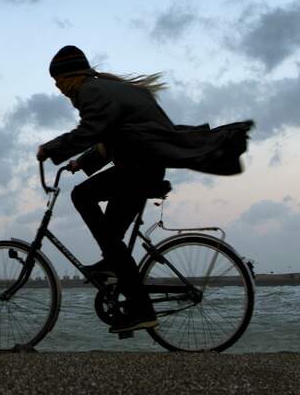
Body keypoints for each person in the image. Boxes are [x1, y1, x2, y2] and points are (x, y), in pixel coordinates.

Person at [37, 45, 254, 335]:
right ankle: (113, 269)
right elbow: (113, 136)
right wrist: (84, 161)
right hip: (142, 166)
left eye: (58, 81)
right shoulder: (110, 89)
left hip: (138, 169)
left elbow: (91, 131)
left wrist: (50, 149)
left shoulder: (92, 91)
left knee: (81, 196)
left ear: (71, 76)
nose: (58, 88)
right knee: (112, 243)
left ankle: (141, 308)